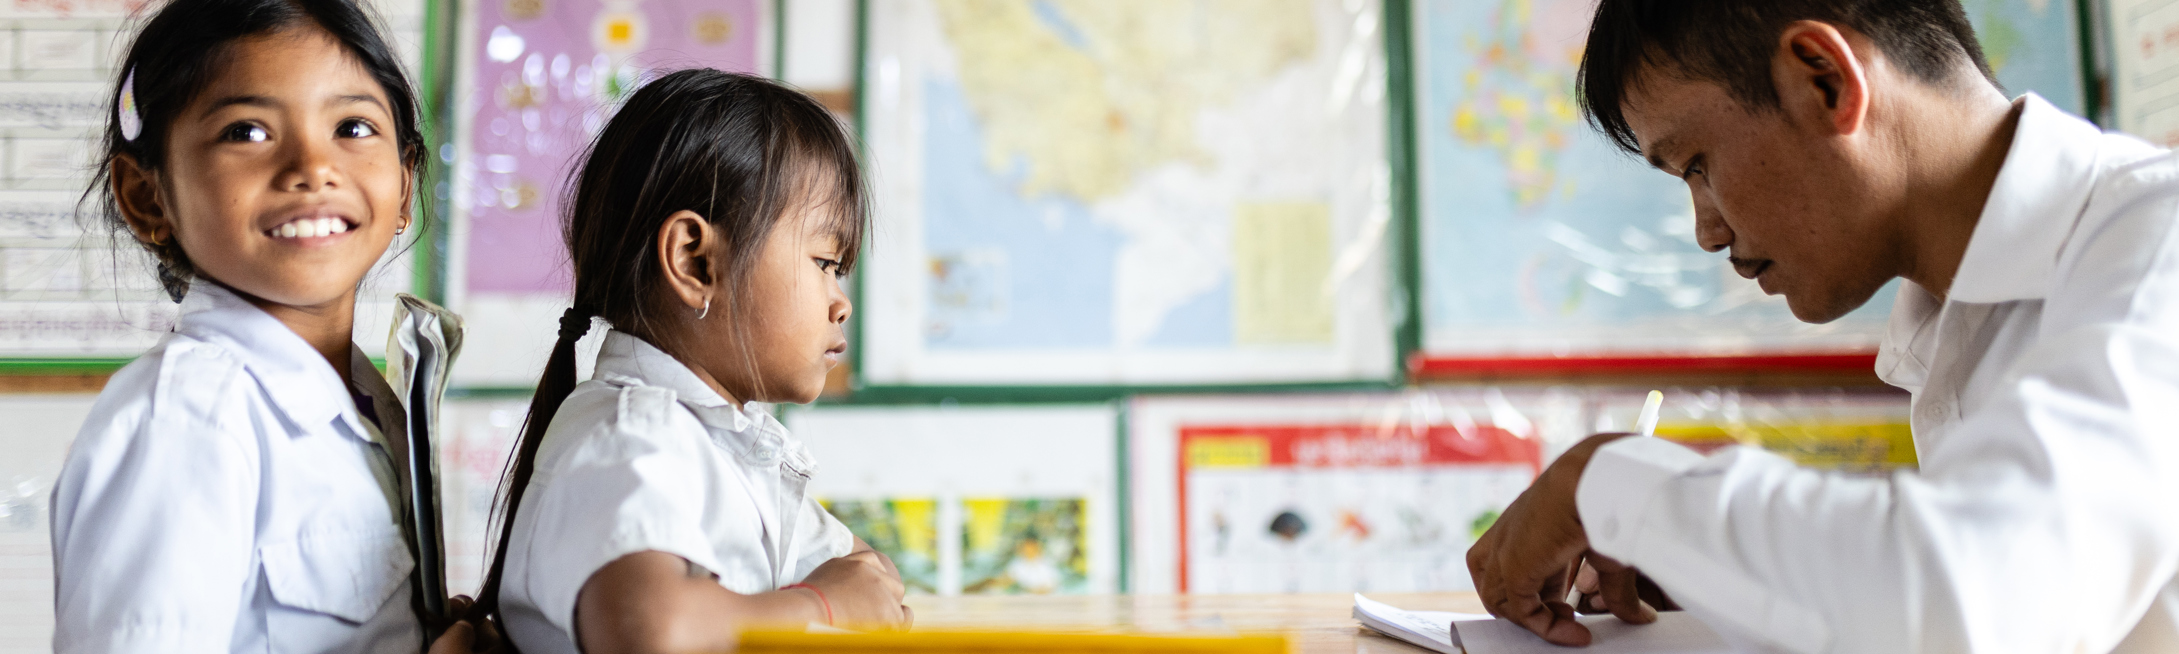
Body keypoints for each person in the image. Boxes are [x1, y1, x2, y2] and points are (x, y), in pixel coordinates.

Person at [1465, 0, 2179, 651]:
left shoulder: (2159, 242)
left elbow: (1975, 596)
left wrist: (1614, 482)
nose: (1706, 232)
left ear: (1824, 80)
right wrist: (1726, 574)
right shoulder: (1963, 320)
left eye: (1697, 165)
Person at [48, 0, 490, 651]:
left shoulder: (370, 399)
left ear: (404, 185)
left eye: (353, 126)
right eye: (246, 132)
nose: (313, 167)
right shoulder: (187, 422)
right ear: (148, 198)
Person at [469, 69, 908, 654]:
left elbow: (869, 576)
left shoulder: (728, 446)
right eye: (825, 261)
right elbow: (655, 634)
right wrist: (823, 605)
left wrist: (848, 591)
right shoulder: (634, 435)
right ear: (695, 261)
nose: (841, 302)